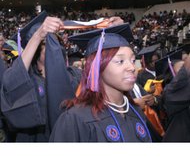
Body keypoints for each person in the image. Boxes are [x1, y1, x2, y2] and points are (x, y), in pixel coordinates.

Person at [50, 24, 152, 142]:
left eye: (133, 60)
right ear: (97, 67)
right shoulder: (75, 119)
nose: (132, 67)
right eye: (120, 61)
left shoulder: (136, 112)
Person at [0, 11, 78, 142]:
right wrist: (38, 36)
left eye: (57, 43)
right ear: (36, 52)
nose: (55, 48)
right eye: (47, 44)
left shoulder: (72, 76)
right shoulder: (28, 80)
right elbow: (10, 84)